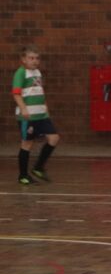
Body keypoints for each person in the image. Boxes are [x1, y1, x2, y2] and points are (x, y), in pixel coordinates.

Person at [12, 45, 60, 185]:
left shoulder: (37, 73)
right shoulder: (20, 73)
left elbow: (40, 92)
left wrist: (46, 109)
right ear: (24, 60)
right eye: (31, 58)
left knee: (54, 138)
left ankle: (38, 167)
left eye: (37, 58)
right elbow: (16, 93)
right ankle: (23, 176)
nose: (34, 61)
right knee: (27, 143)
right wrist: (23, 109)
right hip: (28, 116)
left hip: (41, 114)